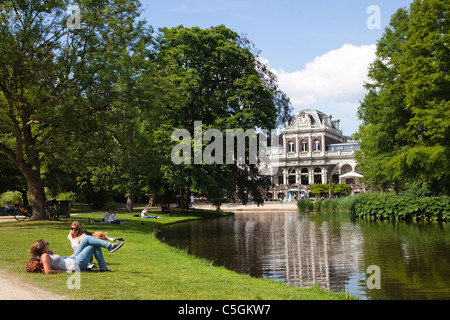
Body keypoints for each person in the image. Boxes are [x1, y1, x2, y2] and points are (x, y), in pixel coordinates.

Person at [29, 236, 124, 274]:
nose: (48, 245)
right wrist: (66, 271)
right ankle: (109, 247)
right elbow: (48, 271)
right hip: (75, 264)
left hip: (71, 259)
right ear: (44, 247)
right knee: (93, 245)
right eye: (47, 243)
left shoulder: (45, 254)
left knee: (87, 239)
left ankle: (110, 248)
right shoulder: (44, 256)